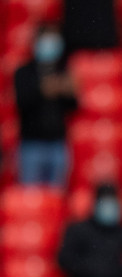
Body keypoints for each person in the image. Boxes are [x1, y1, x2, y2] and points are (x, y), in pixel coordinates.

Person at [14, 25, 77, 187]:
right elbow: (20, 103)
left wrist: (71, 92)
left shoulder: (63, 70)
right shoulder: (24, 72)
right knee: (31, 199)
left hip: (57, 144)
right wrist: (41, 90)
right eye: (47, 39)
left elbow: (74, 107)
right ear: (36, 41)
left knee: (56, 200)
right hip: (31, 145)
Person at [58, 184, 122, 277]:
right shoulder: (77, 230)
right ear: (95, 204)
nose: (109, 207)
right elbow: (64, 260)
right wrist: (93, 269)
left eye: (113, 202)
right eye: (105, 202)